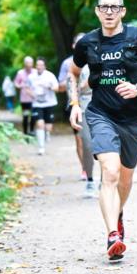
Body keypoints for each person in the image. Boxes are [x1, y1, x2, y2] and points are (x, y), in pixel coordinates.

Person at [68, 0, 137, 261]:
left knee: (124, 178)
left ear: (122, 11)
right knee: (109, 172)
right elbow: (73, 73)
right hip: (101, 115)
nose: (109, 12)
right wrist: (75, 103)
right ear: (97, 12)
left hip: (133, 120)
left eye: (114, 7)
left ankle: (118, 215)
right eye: (104, 7)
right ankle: (113, 235)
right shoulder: (87, 43)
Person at [58, 32, 97, 195]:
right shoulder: (70, 63)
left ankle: (105, 180)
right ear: (75, 45)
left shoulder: (99, 55)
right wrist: (74, 103)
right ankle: (89, 179)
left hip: (103, 103)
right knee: (87, 145)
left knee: (107, 144)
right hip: (83, 105)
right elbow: (68, 84)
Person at [25, 57, 59, 155]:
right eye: (37, 65)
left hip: (50, 103)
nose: (39, 67)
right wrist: (32, 94)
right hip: (37, 104)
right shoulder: (31, 76)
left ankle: (47, 133)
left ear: (45, 66)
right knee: (39, 124)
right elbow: (26, 88)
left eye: (41, 65)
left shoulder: (50, 76)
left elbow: (57, 88)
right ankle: (41, 148)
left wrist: (49, 87)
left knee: (48, 127)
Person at [14, 56, 35, 135]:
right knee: (25, 116)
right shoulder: (20, 73)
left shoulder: (35, 72)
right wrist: (20, 86)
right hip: (24, 99)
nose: (29, 65)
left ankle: (32, 131)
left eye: (30, 63)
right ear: (25, 64)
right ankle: (25, 132)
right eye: (27, 63)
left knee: (33, 115)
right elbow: (16, 83)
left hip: (33, 98)